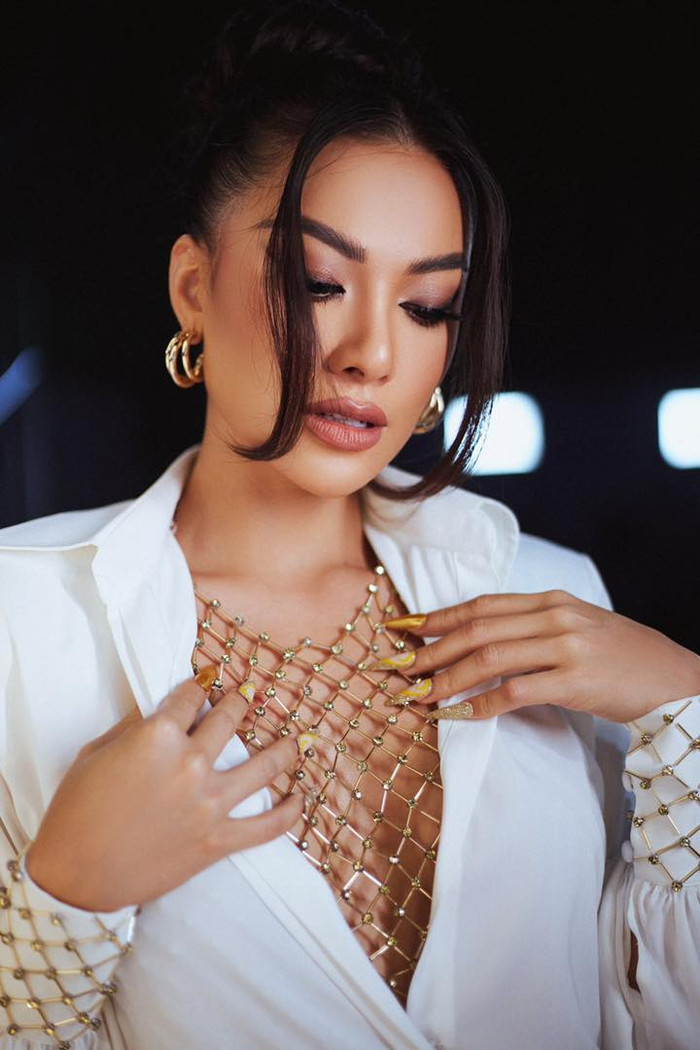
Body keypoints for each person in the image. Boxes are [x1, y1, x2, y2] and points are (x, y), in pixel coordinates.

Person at [1, 2, 698, 1048]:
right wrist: (65, 900)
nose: (372, 351)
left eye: (427, 306)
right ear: (193, 288)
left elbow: (657, 1019)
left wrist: (687, 709)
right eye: (319, 282)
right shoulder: (23, 620)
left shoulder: (548, 596)